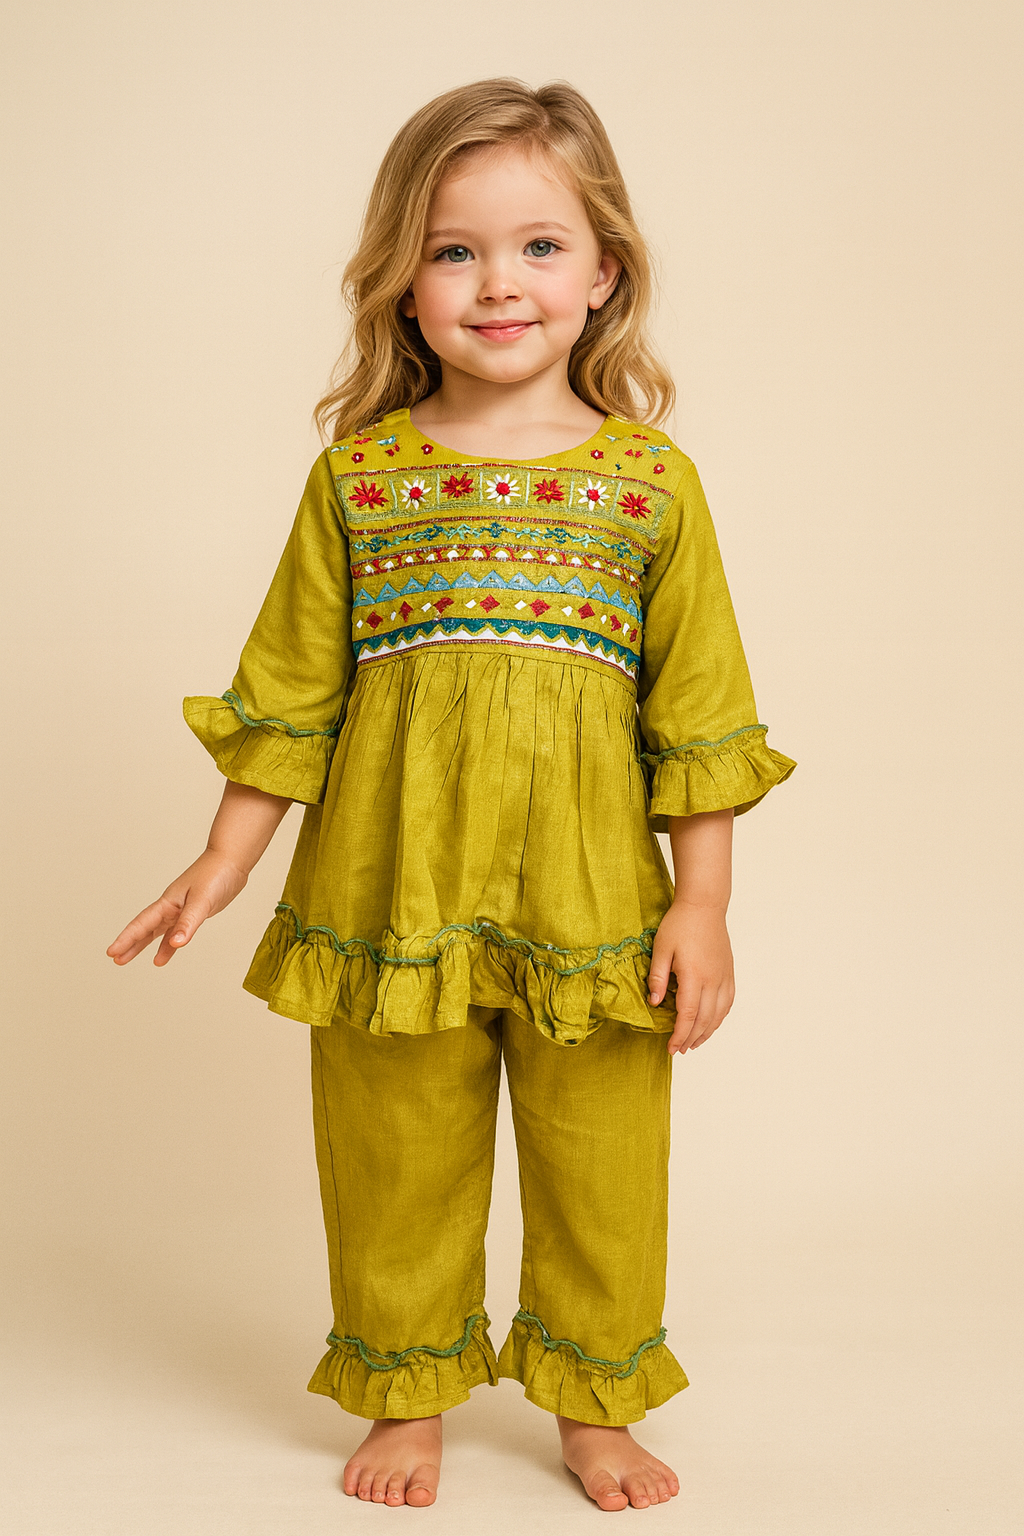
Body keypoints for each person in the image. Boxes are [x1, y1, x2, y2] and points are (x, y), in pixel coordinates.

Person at [107, 76, 795, 1514]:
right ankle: (406, 1392)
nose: (498, 283)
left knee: (604, 1160)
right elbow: (290, 692)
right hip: (387, 893)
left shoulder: (650, 486)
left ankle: (594, 1404)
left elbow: (699, 713)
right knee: (393, 1150)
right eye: (454, 250)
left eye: (540, 246)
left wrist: (706, 904)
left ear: (604, 273)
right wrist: (221, 861)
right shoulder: (359, 482)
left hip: (594, 902)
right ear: (402, 283)